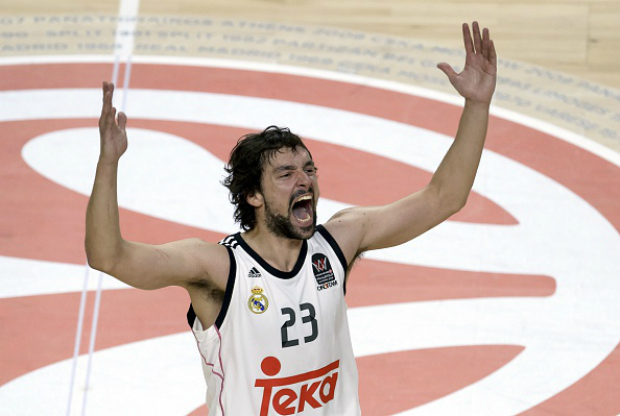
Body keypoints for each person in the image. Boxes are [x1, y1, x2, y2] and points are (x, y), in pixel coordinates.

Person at [86, 21, 496, 416]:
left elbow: (444, 197)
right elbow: (109, 257)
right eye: (286, 174)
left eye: (310, 169)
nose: (306, 181)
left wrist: (477, 105)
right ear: (253, 196)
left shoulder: (339, 242)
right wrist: (108, 163)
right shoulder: (218, 268)